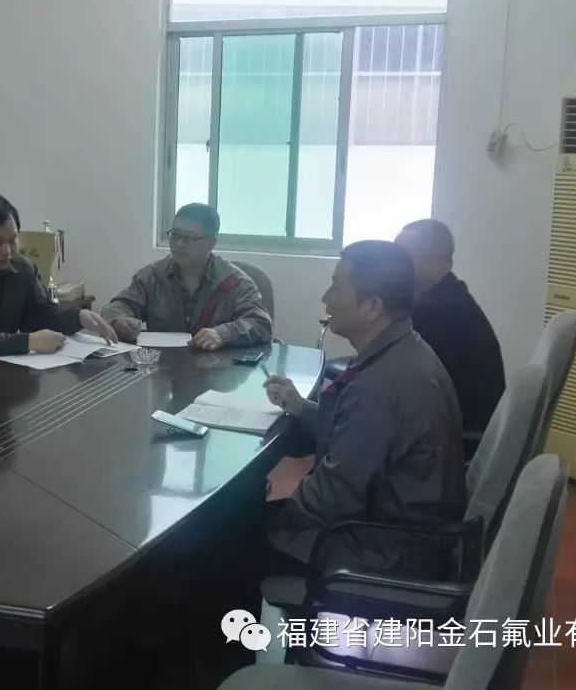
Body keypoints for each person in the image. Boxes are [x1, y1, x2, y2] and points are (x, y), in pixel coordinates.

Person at [262, 240, 465, 579]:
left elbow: (332, 497)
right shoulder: (404, 350)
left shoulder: (384, 385)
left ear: (372, 306)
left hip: (381, 550)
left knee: (229, 535)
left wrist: (260, 501)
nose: (326, 297)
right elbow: (356, 430)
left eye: (336, 286)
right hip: (400, 528)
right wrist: (300, 407)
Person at [0, 194, 117, 357]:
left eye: (12, 240)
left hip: (2, 364)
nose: (7, 251)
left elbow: (42, 316)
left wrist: (79, 316)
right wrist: (28, 341)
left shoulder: (23, 268)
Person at [396, 219, 505, 456]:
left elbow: (396, 379)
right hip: (460, 429)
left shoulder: (442, 311)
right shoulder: (450, 294)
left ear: (439, 262)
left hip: (458, 441)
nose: (394, 264)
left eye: (403, 256)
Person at [101, 203, 272, 350]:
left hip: (217, 370)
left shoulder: (235, 282)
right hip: (165, 368)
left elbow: (260, 323)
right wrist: (119, 320)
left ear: (211, 243)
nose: (179, 244)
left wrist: (222, 334)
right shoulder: (152, 277)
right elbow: (116, 306)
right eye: (175, 235)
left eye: (189, 238)